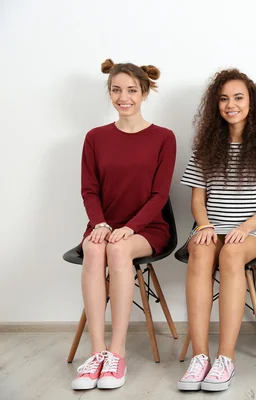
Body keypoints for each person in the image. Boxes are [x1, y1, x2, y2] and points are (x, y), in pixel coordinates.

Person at [178, 69, 256, 392]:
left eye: (238, 97)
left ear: (251, 103)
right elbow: (198, 200)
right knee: (199, 250)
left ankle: (225, 359)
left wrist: (244, 227)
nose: (231, 104)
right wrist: (204, 225)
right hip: (212, 226)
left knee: (232, 253)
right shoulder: (205, 148)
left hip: (255, 230)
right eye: (224, 99)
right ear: (216, 105)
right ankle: (200, 357)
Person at [71, 59, 176, 390]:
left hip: (147, 229)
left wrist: (130, 227)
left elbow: (159, 196)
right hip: (104, 225)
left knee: (117, 251)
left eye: (131, 90)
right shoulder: (95, 138)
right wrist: (99, 223)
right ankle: (97, 352)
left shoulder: (163, 137)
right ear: (110, 93)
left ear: (144, 92)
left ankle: (117, 352)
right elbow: (89, 190)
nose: (123, 97)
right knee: (93, 247)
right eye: (116, 90)